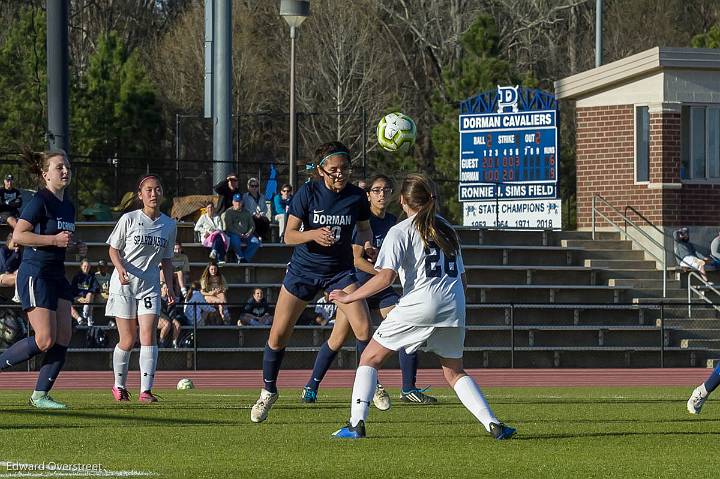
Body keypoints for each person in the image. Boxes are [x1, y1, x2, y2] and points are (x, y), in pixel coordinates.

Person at [330, 173, 516, 440]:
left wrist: (350, 297)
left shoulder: (400, 230)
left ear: (403, 200)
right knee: (454, 371)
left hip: (422, 303)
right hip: (454, 304)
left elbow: (385, 277)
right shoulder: (447, 229)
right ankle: (493, 424)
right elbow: (463, 280)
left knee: (369, 358)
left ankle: (355, 424)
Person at [250, 140, 375, 424]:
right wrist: (313, 234)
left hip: (339, 272)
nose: (341, 174)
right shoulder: (308, 192)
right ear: (321, 170)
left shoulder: (357, 196)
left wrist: (367, 245)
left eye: (345, 168)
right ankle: (268, 391)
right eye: (334, 170)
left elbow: (365, 229)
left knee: (364, 327)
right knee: (278, 336)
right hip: (304, 271)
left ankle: (369, 384)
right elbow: (289, 235)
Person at [301, 175, 436, 406]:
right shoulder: (361, 221)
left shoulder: (393, 220)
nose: (382, 194)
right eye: (376, 190)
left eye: (386, 190)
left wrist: (384, 270)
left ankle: (408, 388)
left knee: (407, 327)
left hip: (381, 289)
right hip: (358, 285)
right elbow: (355, 260)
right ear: (368, 195)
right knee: (337, 339)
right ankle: (311, 386)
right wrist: (383, 274)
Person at [0, 149, 86, 408]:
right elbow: (19, 236)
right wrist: (53, 240)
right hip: (35, 273)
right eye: (59, 166)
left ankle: (40, 395)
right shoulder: (40, 200)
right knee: (45, 339)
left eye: (67, 166)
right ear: (45, 174)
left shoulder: (67, 206)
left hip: (56, 274)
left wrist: (74, 245)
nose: (65, 170)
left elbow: (61, 240)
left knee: (63, 338)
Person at [106, 174, 177, 403]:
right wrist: (120, 269)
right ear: (140, 195)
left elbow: (167, 260)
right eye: (148, 190)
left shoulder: (169, 224)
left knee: (149, 337)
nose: (153, 194)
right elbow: (113, 249)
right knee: (128, 339)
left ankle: (145, 391)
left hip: (150, 286)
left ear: (162, 193)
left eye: (157, 189)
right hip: (124, 285)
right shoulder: (129, 219)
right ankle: (119, 386)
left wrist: (169, 286)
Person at [222, 194, 260, 263]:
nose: (238, 204)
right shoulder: (229, 212)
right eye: (236, 202)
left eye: (239, 202)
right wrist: (239, 234)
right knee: (236, 241)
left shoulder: (246, 212)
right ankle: (240, 256)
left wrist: (249, 233)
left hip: (246, 234)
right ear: (233, 202)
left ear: (242, 202)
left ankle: (245, 259)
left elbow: (252, 225)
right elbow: (229, 227)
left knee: (256, 242)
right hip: (234, 234)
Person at [194, 200, 228, 264]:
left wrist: (212, 231)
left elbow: (220, 228)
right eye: (209, 207)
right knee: (219, 239)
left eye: (212, 207)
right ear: (206, 209)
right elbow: (196, 228)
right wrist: (205, 231)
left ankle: (214, 251)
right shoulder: (203, 217)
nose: (210, 209)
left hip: (216, 234)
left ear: (214, 209)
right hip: (207, 236)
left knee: (218, 236)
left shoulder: (217, 217)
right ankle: (220, 259)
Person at [70, 258, 100, 326]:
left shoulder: (92, 277)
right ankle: (79, 319)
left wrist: (87, 297)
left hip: (88, 299)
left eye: (88, 266)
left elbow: (95, 288)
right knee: (67, 303)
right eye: (85, 266)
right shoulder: (76, 277)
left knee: (90, 295)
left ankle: (86, 315)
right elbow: (73, 290)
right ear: (81, 267)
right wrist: (79, 298)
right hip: (78, 297)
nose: (86, 268)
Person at [243, 177, 271, 242]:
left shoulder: (262, 196)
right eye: (252, 186)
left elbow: (265, 208)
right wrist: (254, 214)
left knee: (265, 220)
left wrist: (261, 214)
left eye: (256, 186)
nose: (254, 188)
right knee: (254, 220)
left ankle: (262, 237)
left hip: (260, 215)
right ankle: (257, 237)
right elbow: (245, 208)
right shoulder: (245, 196)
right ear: (248, 186)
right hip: (250, 215)